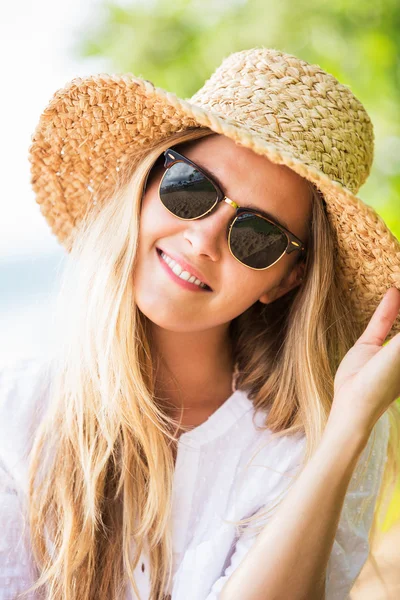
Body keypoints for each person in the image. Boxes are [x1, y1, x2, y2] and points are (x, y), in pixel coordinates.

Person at [1, 47, 399, 600]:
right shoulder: (15, 415)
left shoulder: (308, 444)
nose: (204, 239)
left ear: (284, 281)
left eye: (256, 236)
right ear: (145, 187)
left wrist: (347, 429)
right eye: (190, 188)